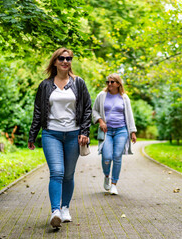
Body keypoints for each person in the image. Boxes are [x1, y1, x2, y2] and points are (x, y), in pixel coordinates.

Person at [28, 47, 91, 229]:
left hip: (73, 134)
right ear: (55, 61)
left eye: (69, 58)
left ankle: (65, 208)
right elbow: (38, 111)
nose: (65, 61)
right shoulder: (45, 85)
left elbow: (87, 108)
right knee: (57, 172)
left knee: (69, 174)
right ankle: (55, 211)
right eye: (62, 58)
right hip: (51, 133)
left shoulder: (78, 83)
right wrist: (33, 134)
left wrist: (84, 132)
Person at [92, 73, 137, 195]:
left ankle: (114, 184)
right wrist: (100, 121)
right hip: (107, 131)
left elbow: (129, 114)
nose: (109, 84)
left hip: (121, 130)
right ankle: (106, 175)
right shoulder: (102, 96)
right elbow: (94, 110)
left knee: (117, 156)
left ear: (118, 84)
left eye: (112, 82)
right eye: (108, 82)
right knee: (107, 156)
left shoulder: (124, 97)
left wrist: (132, 132)